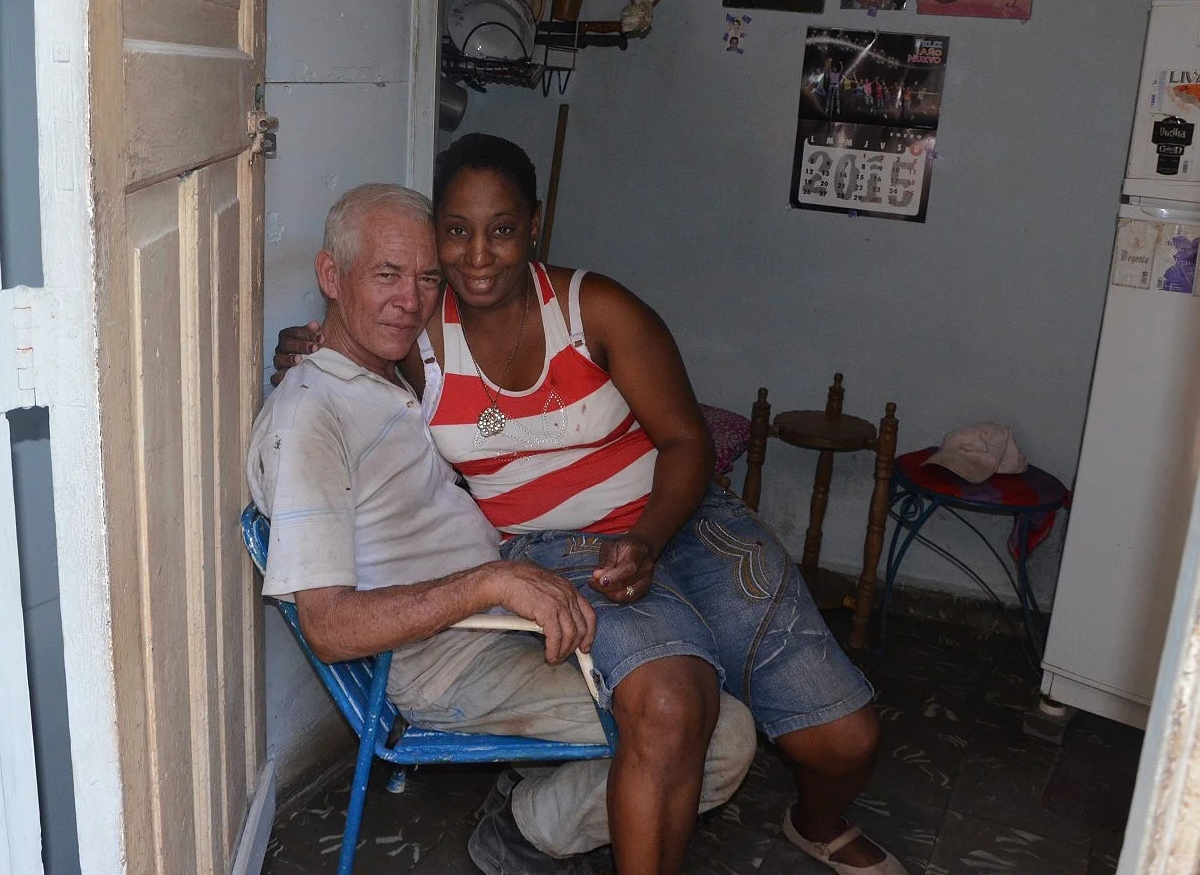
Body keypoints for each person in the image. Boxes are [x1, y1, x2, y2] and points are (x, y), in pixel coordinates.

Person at [275, 138, 907, 875]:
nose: (478, 254)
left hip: (684, 523)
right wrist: (302, 347)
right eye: (456, 231)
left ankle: (815, 822)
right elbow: (352, 357)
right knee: (672, 702)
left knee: (843, 740)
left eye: (501, 228)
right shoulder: (421, 331)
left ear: (534, 226)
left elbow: (685, 441)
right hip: (558, 549)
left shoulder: (594, 309)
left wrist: (647, 537)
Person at [249, 183, 757, 875]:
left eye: (428, 278)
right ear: (330, 276)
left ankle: (536, 812)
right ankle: (528, 829)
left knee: (694, 701)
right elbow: (329, 628)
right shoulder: (312, 416)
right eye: (386, 275)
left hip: (500, 613)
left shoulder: (381, 376)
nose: (411, 300)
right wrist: (492, 578)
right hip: (448, 658)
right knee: (709, 731)